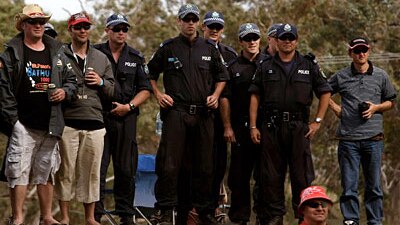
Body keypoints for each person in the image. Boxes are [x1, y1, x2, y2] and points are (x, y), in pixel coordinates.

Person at [147, 3, 229, 225]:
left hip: (203, 115)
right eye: (186, 19)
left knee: (205, 165)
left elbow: (222, 77)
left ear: (198, 23)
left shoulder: (210, 49)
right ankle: (164, 211)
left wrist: (215, 94)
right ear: (179, 21)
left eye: (194, 19)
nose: (190, 23)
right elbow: (149, 73)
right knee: (169, 164)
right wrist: (158, 94)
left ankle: (204, 212)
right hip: (176, 113)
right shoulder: (168, 47)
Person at [0, 4, 77, 225]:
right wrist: (13, 121)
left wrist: (65, 92)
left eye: (42, 22)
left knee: (47, 169)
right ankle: (18, 217)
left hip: (50, 122)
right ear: (23, 25)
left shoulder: (58, 51)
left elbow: (72, 81)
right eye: (33, 22)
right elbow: (3, 91)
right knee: (18, 170)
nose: (38, 25)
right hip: (22, 124)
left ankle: (47, 217)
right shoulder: (11, 53)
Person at [249, 23, 332, 225]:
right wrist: (253, 126)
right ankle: (274, 218)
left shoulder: (308, 65)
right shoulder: (265, 66)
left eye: (291, 38)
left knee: (302, 176)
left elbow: (325, 92)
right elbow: (255, 96)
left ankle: (302, 218)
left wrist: (318, 121)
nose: (287, 41)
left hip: (299, 129)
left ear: (296, 40)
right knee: (270, 178)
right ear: (276, 41)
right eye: (283, 38)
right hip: (271, 127)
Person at [54, 12, 114, 225]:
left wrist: (100, 82)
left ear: (90, 30)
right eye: (78, 27)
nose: (82, 31)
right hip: (68, 122)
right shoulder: (59, 55)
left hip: (95, 123)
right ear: (70, 29)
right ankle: (65, 217)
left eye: (86, 27)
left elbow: (113, 91)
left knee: (92, 173)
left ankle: (90, 218)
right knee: (65, 172)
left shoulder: (100, 58)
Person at [328, 37, 396, 225]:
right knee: (349, 185)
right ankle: (351, 220)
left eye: (364, 50)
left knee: (374, 186)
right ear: (350, 53)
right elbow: (323, 91)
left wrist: (375, 108)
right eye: (357, 50)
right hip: (348, 140)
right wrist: (337, 109)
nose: (361, 54)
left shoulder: (381, 75)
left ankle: (375, 222)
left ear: (369, 51)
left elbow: (391, 101)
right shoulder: (341, 76)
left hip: (374, 139)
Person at [93, 13, 152, 225]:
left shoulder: (136, 57)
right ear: (107, 30)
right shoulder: (94, 53)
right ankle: (95, 215)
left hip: (126, 119)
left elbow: (145, 90)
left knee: (126, 169)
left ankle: (126, 215)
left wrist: (129, 106)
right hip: (100, 118)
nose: (121, 32)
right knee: (97, 169)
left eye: (124, 29)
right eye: (116, 28)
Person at [220, 23, 265, 225]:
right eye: (248, 39)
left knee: (266, 176)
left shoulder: (270, 64)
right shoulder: (232, 67)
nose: (252, 42)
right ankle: (239, 218)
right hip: (240, 128)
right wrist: (228, 126)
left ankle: (265, 217)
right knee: (239, 177)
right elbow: (225, 98)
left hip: (266, 128)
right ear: (241, 42)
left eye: (255, 38)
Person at [201, 10, 237, 219]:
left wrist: (229, 123)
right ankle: (198, 209)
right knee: (200, 164)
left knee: (219, 164)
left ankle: (214, 206)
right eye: (210, 26)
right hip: (198, 116)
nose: (214, 30)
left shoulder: (230, 54)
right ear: (203, 27)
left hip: (223, 118)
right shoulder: (194, 49)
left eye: (218, 27)